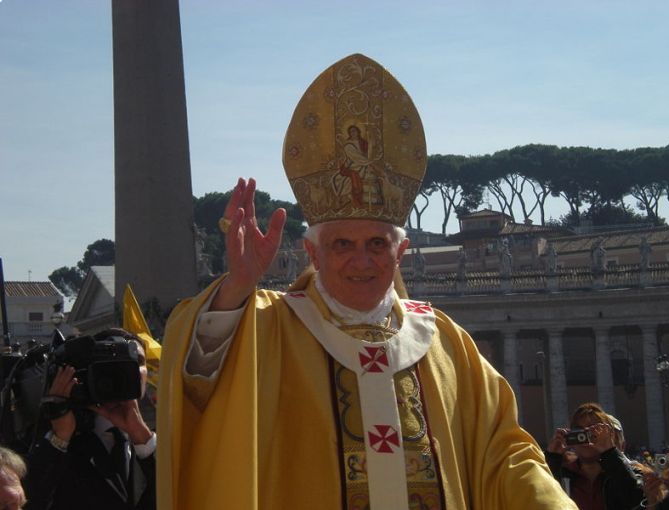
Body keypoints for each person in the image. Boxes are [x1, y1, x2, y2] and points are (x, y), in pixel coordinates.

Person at [158, 53, 576, 510]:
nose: (362, 260)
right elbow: (195, 385)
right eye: (341, 245)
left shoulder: (445, 342)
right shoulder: (269, 327)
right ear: (312, 253)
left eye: (377, 244)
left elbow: (505, 451)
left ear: (400, 253)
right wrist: (237, 285)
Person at [24, 328, 156, 510]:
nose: (130, 369)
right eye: (113, 363)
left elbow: (179, 495)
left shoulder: (156, 442)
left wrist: (143, 439)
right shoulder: (61, 440)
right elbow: (27, 502)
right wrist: (59, 436)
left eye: (139, 361)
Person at [546, 402, 645, 509]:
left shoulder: (631, 473)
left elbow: (634, 499)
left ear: (608, 436)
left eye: (593, 431)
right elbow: (541, 499)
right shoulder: (563, 473)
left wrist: (610, 452)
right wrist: (552, 458)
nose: (584, 438)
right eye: (579, 431)